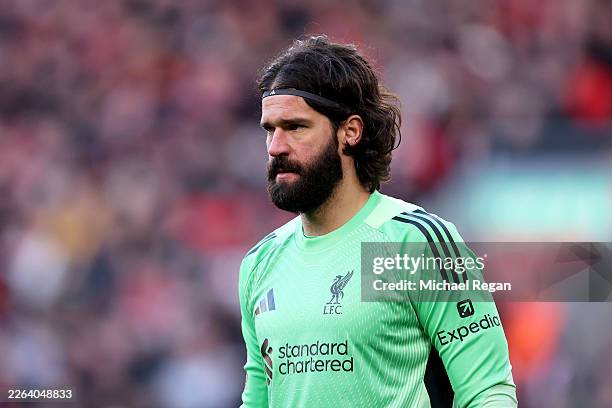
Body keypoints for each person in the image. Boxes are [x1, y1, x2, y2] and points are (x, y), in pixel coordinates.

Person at [238, 35, 517, 408]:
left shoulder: (412, 243)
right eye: (270, 130)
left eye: (296, 127)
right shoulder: (261, 263)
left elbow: (488, 391)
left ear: (350, 132)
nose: (276, 147)